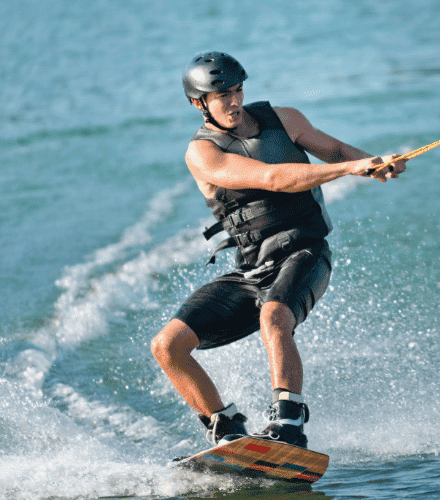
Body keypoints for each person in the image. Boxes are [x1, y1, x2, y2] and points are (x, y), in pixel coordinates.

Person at [150, 51, 406, 448]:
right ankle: (225, 426)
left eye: (237, 90)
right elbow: (273, 177)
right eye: (222, 96)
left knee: (274, 316)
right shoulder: (202, 153)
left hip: (305, 251)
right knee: (167, 346)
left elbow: (336, 151)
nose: (233, 101)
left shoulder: (284, 119)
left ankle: (288, 423)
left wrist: (372, 162)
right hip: (253, 268)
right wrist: (347, 170)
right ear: (198, 104)